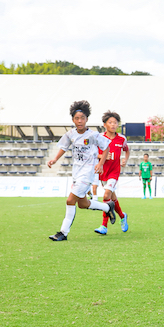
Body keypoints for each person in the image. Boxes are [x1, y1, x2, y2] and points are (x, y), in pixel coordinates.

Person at [46, 100, 116, 241]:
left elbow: (106, 147)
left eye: (82, 118)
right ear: (73, 120)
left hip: (88, 173)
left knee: (70, 201)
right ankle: (108, 208)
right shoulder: (70, 134)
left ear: (87, 119)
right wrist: (54, 159)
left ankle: (63, 233)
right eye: (77, 118)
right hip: (76, 173)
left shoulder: (93, 135)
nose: (80, 121)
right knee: (83, 204)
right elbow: (64, 148)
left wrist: (101, 164)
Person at [94, 111, 130, 235]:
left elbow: (127, 150)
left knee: (106, 196)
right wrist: (101, 156)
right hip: (103, 172)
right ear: (105, 124)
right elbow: (93, 153)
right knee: (112, 198)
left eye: (115, 122)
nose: (113, 125)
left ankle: (104, 226)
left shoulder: (122, 139)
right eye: (110, 122)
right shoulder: (99, 138)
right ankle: (122, 216)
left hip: (114, 172)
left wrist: (125, 159)